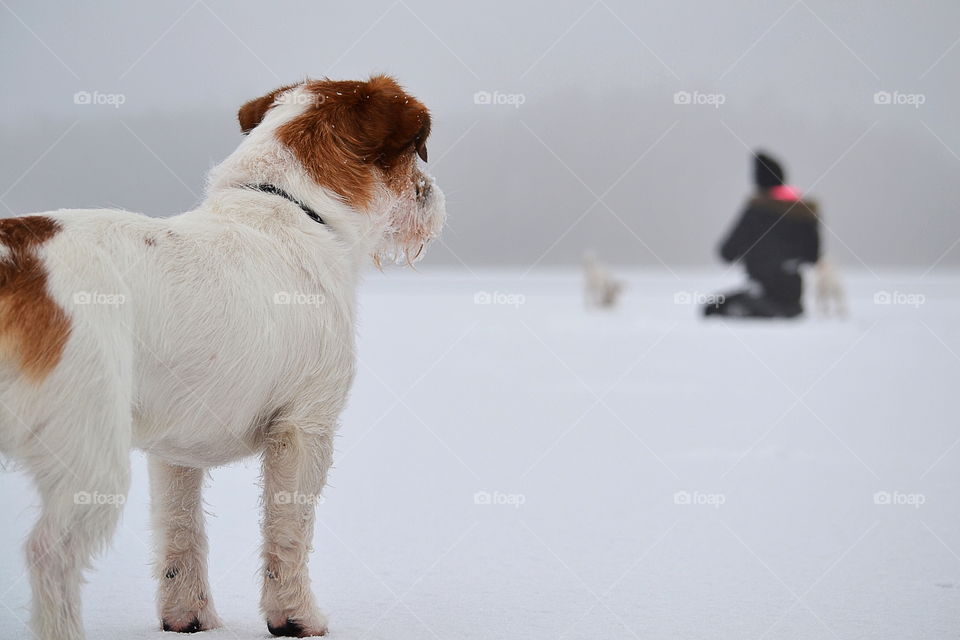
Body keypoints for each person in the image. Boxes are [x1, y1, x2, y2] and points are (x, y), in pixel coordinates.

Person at [704, 151, 821, 318]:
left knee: (713, 309)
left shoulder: (756, 211)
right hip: (793, 300)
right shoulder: (804, 212)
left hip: (762, 295)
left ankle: (763, 312)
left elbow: (727, 252)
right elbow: (813, 256)